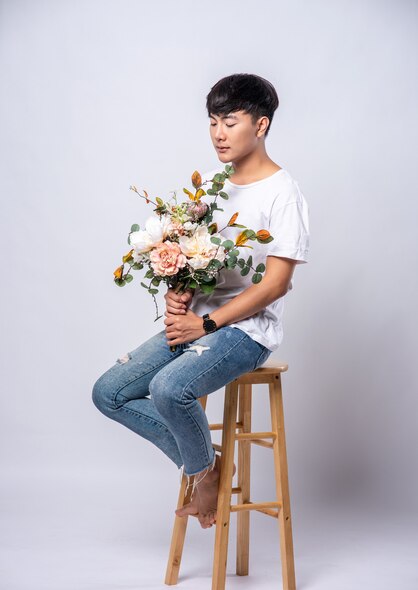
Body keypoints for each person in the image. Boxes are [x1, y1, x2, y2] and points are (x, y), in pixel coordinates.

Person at [91, 73, 310, 530]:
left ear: (262, 125)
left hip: (246, 330)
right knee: (108, 392)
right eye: (212, 121)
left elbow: (275, 285)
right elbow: (196, 260)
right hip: (199, 321)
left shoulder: (282, 193)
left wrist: (206, 327)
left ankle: (202, 474)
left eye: (230, 121)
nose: (218, 133)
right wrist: (178, 294)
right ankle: (207, 466)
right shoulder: (210, 184)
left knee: (170, 389)